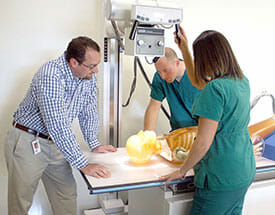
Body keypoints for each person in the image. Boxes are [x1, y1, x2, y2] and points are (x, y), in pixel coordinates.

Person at [4, 36, 117, 215]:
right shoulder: (50, 74)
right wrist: (83, 164)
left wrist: (93, 143)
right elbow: (57, 124)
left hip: (56, 144)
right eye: (91, 66)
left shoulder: (87, 77)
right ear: (73, 62)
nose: (95, 70)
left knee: (66, 196)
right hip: (28, 141)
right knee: (21, 202)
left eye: (97, 65)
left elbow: (88, 110)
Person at [160, 26, 256, 215]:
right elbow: (198, 81)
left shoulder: (215, 89)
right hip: (243, 170)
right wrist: (185, 49)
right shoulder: (241, 80)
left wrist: (182, 169)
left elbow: (203, 142)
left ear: (206, 59)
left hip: (221, 174)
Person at [144, 47, 200, 131]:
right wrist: (147, 136)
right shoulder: (159, 78)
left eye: (165, 70)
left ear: (177, 63)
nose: (162, 76)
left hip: (201, 132)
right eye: (159, 72)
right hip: (178, 132)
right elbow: (154, 107)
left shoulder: (198, 73)